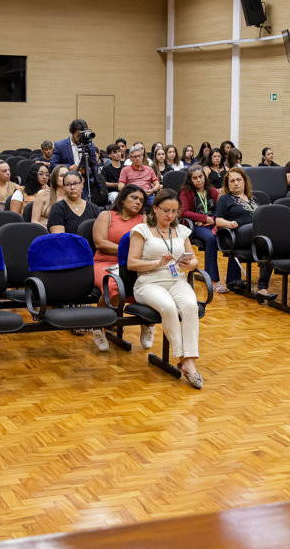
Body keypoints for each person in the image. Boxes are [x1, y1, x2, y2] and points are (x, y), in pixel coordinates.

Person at [127, 189, 204, 389]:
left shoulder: (181, 230)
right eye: (166, 210)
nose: (170, 215)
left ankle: (190, 362)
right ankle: (183, 358)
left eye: (174, 211)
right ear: (155, 209)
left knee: (190, 306)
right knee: (169, 307)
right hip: (148, 282)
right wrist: (156, 263)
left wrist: (191, 265)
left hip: (176, 280)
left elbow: (193, 258)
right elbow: (131, 264)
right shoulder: (141, 230)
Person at [90, 184, 150, 351]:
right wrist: (129, 249)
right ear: (123, 199)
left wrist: (131, 255)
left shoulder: (143, 219)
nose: (138, 202)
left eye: (141, 200)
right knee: (114, 284)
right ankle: (98, 325)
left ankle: (147, 322)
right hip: (104, 263)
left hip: (132, 264)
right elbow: (100, 243)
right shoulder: (107, 216)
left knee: (151, 283)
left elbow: (149, 244)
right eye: (134, 198)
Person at [215, 166, 271, 297]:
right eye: (232, 181)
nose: (236, 183)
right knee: (258, 228)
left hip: (257, 235)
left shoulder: (253, 198)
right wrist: (229, 223)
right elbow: (217, 220)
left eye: (238, 180)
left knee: (268, 245)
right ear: (228, 184)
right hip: (237, 234)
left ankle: (263, 288)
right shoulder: (225, 199)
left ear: (244, 181)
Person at [178, 164, 224, 291]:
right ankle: (213, 280)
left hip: (213, 223)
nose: (199, 180)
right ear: (190, 180)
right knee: (210, 238)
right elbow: (184, 212)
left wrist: (212, 220)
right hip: (195, 226)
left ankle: (233, 279)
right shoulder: (186, 192)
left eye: (201, 177)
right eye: (195, 178)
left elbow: (220, 209)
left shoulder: (212, 191)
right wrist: (203, 219)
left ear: (205, 177)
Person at [32, 164, 69, 228]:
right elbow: (34, 221)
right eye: (62, 176)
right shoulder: (42, 194)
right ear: (54, 178)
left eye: (67, 176)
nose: (65, 179)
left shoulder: (72, 196)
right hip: (45, 232)